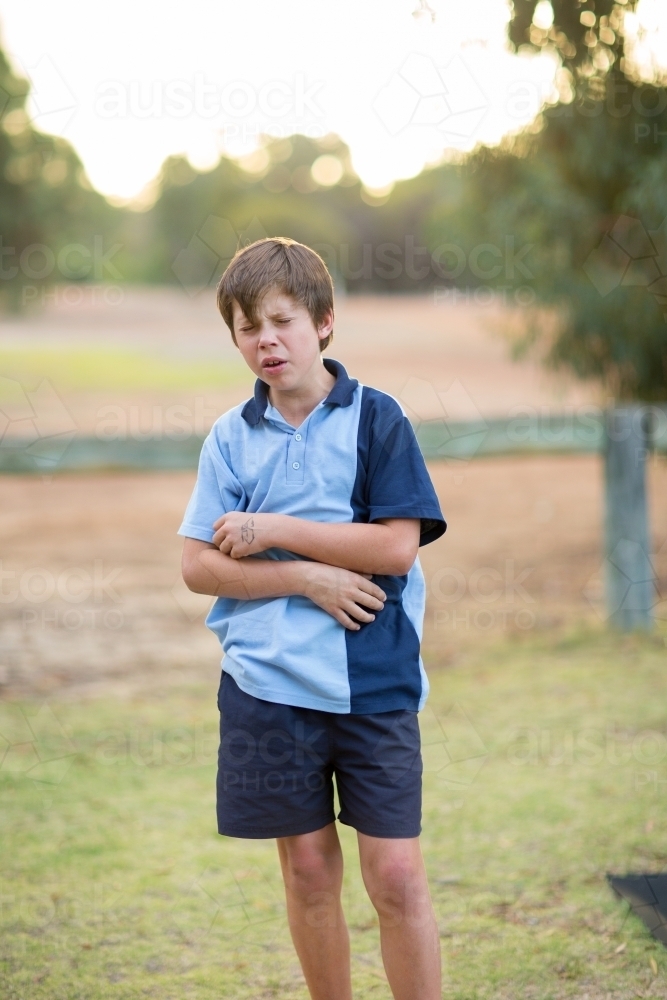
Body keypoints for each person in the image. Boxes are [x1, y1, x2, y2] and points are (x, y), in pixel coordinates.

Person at [178, 236, 447, 1000]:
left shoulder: (376, 419)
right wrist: (304, 580)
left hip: (373, 677)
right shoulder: (230, 438)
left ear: (323, 323)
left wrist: (271, 533)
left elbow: (394, 548)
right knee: (304, 872)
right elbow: (197, 565)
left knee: (394, 875)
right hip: (267, 686)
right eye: (246, 327)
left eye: (282, 320)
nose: (266, 340)